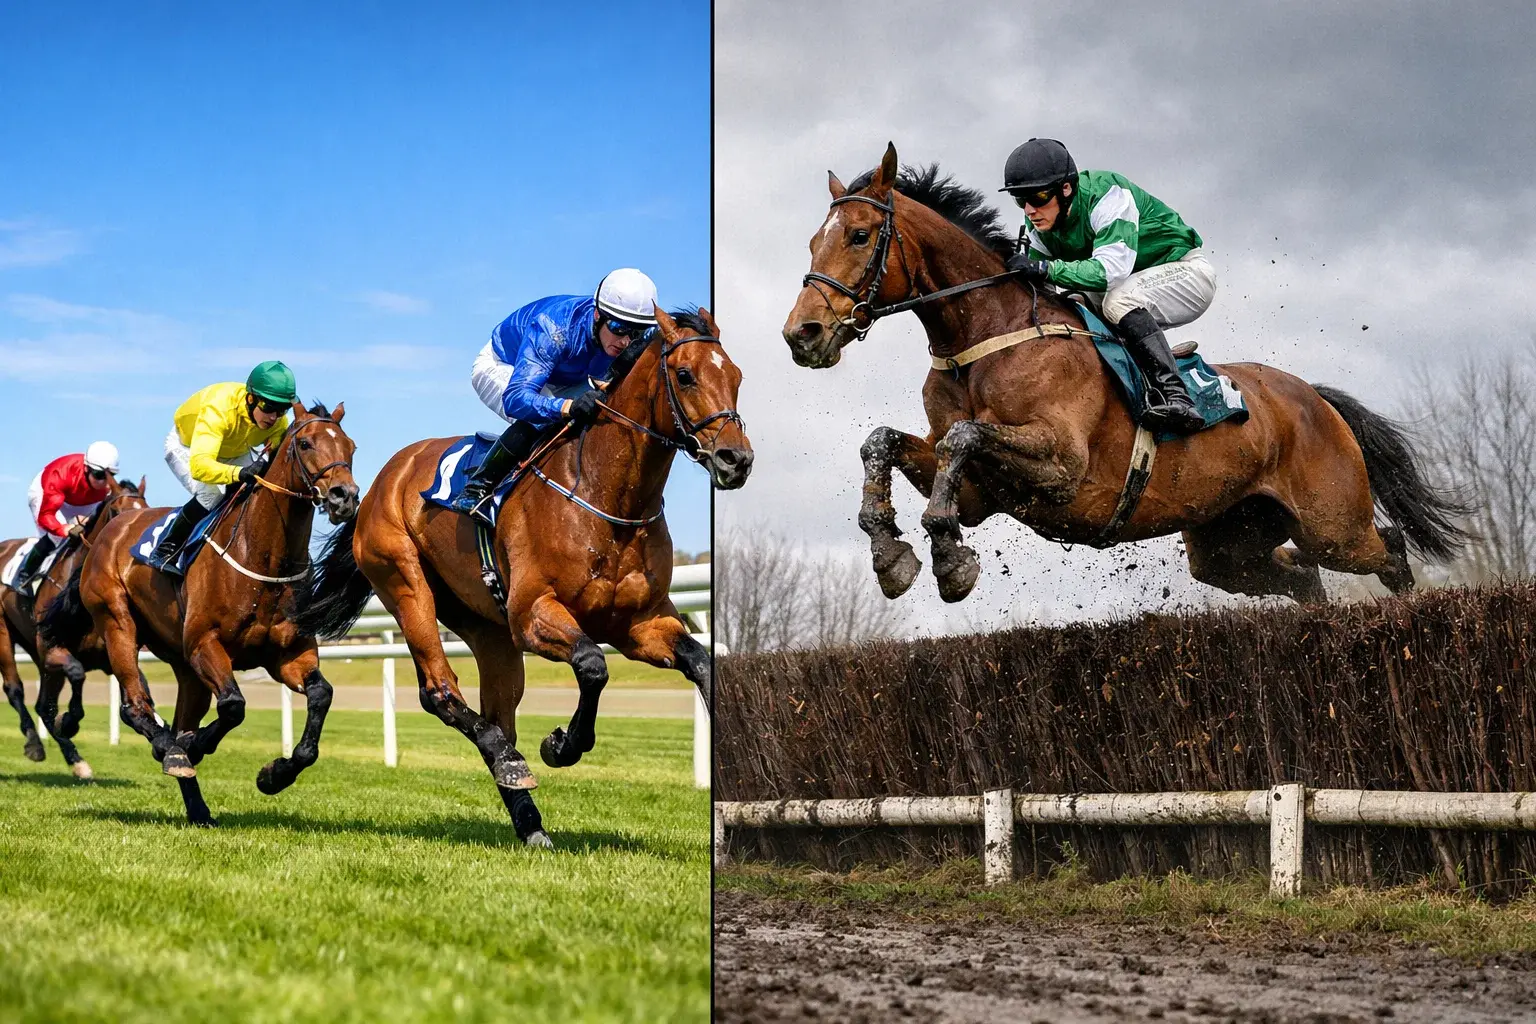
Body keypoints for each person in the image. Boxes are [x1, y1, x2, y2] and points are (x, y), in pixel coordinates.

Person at [1002, 138, 1214, 434]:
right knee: (1071, 304)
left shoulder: (1108, 194)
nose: (1029, 210)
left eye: (1037, 197)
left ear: (1066, 189)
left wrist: (1045, 269)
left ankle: (1178, 397)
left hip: (1185, 273)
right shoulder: (1041, 230)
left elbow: (1110, 272)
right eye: (1019, 199)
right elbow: (1042, 299)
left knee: (1118, 300)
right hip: (1129, 284)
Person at [451, 268, 659, 518]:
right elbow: (516, 399)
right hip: (505, 366)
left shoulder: (625, 337)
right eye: (617, 327)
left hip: (566, 376)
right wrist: (566, 407)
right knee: (542, 419)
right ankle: (478, 488)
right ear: (597, 315)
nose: (625, 341)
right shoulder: (554, 329)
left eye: (635, 332)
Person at [147, 360, 295, 569]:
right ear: (251, 398)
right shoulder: (218, 409)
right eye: (269, 407)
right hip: (189, 447)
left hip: (234, 449)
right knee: (212, 495)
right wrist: (239, 473)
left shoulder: (278, 421)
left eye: (282, 410)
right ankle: (166, 550)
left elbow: (276, 449)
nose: (274, 417)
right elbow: (200, 467)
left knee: (254, 490)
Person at [11, 442, 119, 592]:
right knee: (57, 538)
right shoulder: (60, 476)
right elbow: (46, 516)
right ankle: (24, 574)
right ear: (86, 468)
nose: (104, 482)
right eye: (99, 475)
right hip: (47, 493)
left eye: (110, 476)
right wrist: (64, 529)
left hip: (82, 499)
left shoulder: (105, 486)